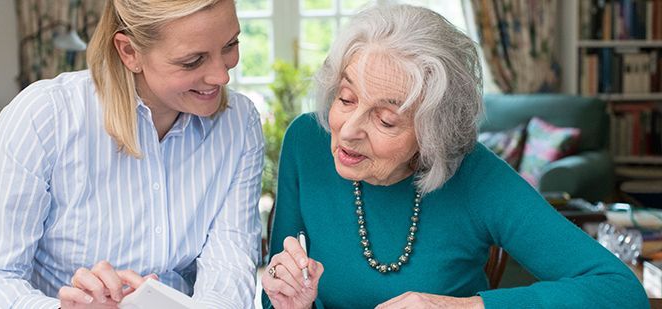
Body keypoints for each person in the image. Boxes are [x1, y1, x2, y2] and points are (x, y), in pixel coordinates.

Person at [261, 4, 648, 308]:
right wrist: (289, 301)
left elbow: (619, 292)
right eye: (346, 98)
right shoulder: (307, 142)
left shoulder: (476, 175)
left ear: (433, 133)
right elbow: (275, 294)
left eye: (386, 120)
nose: (347, 130)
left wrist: (464, 307)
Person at [0, 0, 263, 308]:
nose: (221, 76)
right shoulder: (43, 118)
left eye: (230, 44)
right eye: (192, 60)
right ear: (129, 51)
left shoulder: (239, 122)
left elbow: (230, 263)